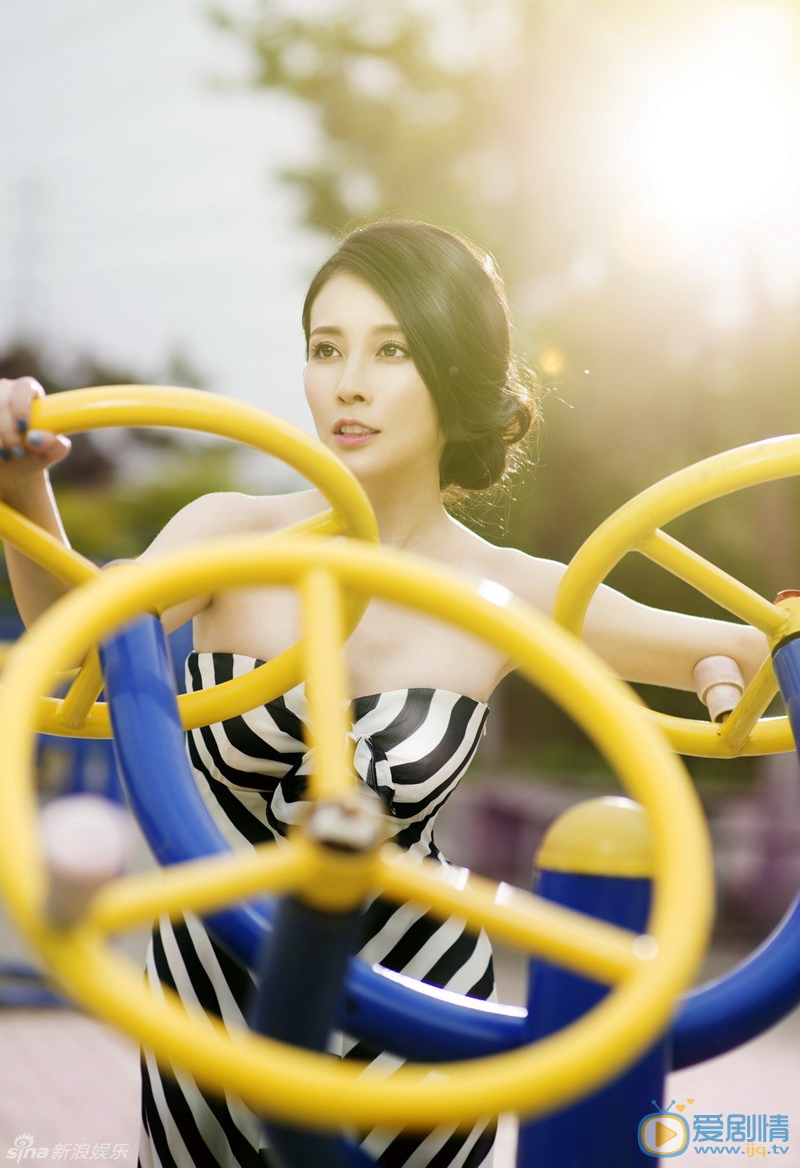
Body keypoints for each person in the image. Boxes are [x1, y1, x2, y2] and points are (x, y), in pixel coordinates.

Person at [0, 220, 769, 1168]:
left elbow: (735, 652)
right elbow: (79, 649)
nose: (346, 383)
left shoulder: (510, 589)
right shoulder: (229, 535)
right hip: (208, 1020)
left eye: (391, 351)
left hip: (419, 1032)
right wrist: (20, 482)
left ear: (453, 373)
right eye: (325, 348)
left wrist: (758, 648)